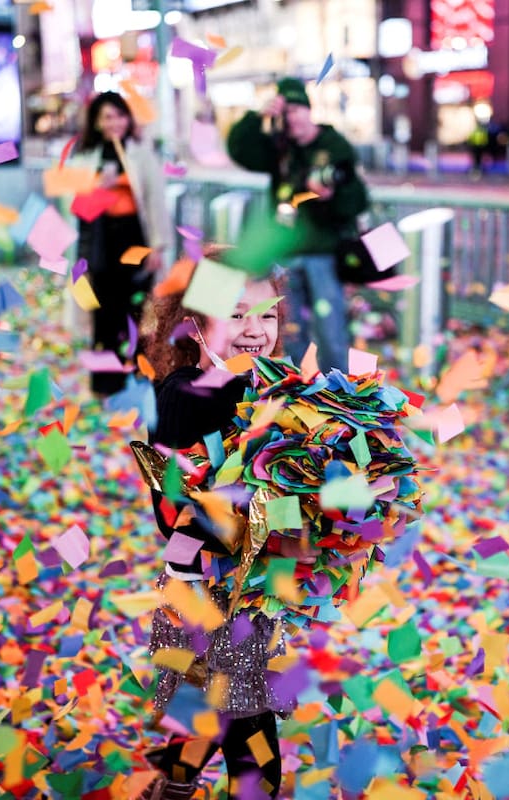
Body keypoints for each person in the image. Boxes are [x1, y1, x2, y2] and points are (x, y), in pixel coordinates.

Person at [137, 275, 299, 799]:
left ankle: (173, 783)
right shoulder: (182, 393)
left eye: (268, 314)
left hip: (252, 591)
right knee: (250, 735)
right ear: (194, 326)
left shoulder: (275, 390)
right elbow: (177, 511)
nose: (255, 328)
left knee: (209, 709)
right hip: (206, 594)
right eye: (236, 313)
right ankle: (181, 783)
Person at [226, 77, 368, 374]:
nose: (291, 118)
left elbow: (357, 199)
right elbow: (239, 150)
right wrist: (258, 116)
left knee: (331, 332)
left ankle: (338, 390)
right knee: (289, 331)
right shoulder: (280, 149)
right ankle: (299, 388)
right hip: (286, 252)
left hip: (324, 254)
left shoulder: (334, 145)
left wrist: (330, 196)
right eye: (285, 112)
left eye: (296, 109)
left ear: (308, 109)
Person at [65, 91, 170, 396]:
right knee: (104, 315)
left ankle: (139, 380)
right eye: (107, 117)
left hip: (135, 241)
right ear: (97, 122)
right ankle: (106, 385)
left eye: (120, 116)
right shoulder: (85, 158)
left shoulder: (141, 154)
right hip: (102, 246)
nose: (115, 123)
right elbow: (76, 210)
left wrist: (158, 246)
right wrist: (98, 188)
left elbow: (155, 203)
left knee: (139, 313)